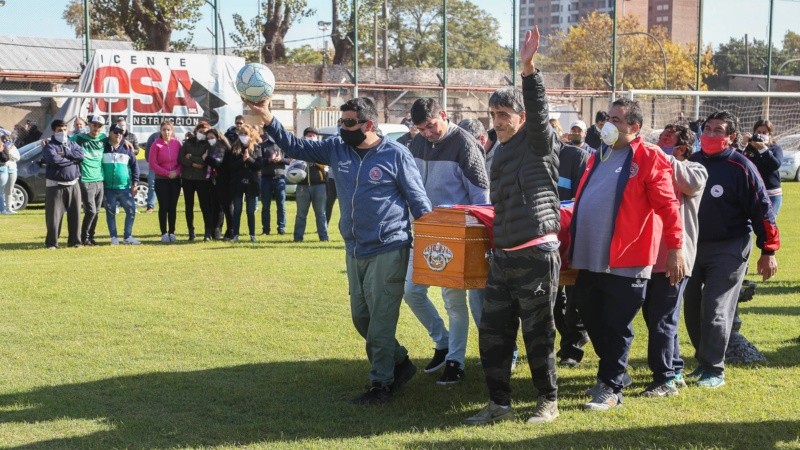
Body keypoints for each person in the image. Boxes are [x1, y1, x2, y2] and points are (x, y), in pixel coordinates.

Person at [248, 95, 431, 405]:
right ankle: (399, 362)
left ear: (369, 125)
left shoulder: (396, 155)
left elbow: (420, 203)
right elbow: (295, 147)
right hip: (355, 249)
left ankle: (381, 386)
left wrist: (429, 246)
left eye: (349, 123)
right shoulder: (337, 149)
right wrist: (268, 118)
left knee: (381, 323)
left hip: (390, 247)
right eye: (340, 122)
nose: (342, 128)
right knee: (362, 319)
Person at [464, 27, 562, 426]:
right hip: (503, 257)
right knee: (493, 334)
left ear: (521, 118)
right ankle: (498, 405)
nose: (498, 121)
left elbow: (538, 109)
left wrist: (528, 68)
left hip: (536, 252)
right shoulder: (498, 152)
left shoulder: (538, 141)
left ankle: (548, 401)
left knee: (539, 334)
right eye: (493, 115)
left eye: (505, 115)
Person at [570, 97, 684, 412]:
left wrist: (675, 247)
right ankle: (616, 372)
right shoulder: (598, 155)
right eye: (608, 117)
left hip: (628, 258)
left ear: (634, 127)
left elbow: (668, 206)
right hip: (589, 256)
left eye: (617, 119)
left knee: (616, 323)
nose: (609, 123)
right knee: (590, 315)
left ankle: (610, 388)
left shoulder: (650, 157)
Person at [684, 111, 779, 388]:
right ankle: (704, 361)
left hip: (730, 246)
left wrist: (768, 250)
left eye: (718, 131)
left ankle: (714, 369)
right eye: (708, 129)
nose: (711, 135)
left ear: (731, 137)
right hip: (694, 245)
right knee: (691, 306)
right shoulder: (693, 162)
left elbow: (762, 209)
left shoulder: (742, 167)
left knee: (715, 306)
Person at [404, 99, 489, 386]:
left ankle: (456, 360)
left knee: (454, 300)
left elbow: (481, 197)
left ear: (443, 114)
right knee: (412, 291)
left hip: (457, 235)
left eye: (430, 125)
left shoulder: (465, 144)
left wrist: (479, 239)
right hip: (424, 232)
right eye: (420, 128)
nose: (427, 133)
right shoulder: (416, 144)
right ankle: (442, 343)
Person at [640, 124, 707, 397]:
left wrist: (660, 155)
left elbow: (689, 184)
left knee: (662, 318)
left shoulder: (695, 169)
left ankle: (665, 379)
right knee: (655, 316)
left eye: (669, 138)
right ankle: (675, 369)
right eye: (661, 136)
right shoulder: (652, 165)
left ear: (682, 148)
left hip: (675, 257)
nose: (661, 139)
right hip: (648, 256)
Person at [552, 133, 590, 369]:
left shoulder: (576, 157)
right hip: (544, 238)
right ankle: (569, 338)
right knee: (552, 297)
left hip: (573, 236)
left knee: (575, 295)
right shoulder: (530, 158)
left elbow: (584, 198)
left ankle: (572, 348)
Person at [42, 119, 84, 249]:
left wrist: (66, 154)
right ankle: (52, 243)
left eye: (65, 129)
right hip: (55, 186)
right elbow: (54, 160)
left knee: (75, 215)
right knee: (54, 217)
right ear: (54, 131)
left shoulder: (73, 144)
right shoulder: (49, 146)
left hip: (73, 184)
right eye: (60, 130)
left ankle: (75, 242)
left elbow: (81, 156)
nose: (63, 132)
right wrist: (72, 160)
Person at [71, 115, 108, 246]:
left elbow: (118, 140)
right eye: (94, 125)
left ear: (102, 127)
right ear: (89, 125)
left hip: (100, 180)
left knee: (96, 211)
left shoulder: (104, 139)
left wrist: (126, 141)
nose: (96, 128)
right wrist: (48, 140)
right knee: (90, 210)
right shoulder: (79, 138)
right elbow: (64, 140)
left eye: (99, 126)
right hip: (86, 180)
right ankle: (83, 236)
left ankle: (90, 237)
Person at [101, 123, 141, 245]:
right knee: (110, 212)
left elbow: (135, 167)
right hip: (108, 188)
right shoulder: (103, 146)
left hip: (125, 188)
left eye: (121, 132)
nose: (118, 134)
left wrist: (135, 184)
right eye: (115, 132)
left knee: (131, 211)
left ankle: (127, 236)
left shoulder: (127, 148)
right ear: (110, 133)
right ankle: (114, 237)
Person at [225, 123, 262, 242]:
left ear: (250, 135)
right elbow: (231, 166)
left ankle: (252, 235)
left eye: (245, 134)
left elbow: (259, 165)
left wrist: (249, 159)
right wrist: (242, 160)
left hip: (252, 182)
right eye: (241, 134)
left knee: (250, 211)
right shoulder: (234, 148)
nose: (243, 136)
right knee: (237, 210)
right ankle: (235, 235)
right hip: (237, 183)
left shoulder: (256, 147)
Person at [292, 127, 328, 243]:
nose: (311, 137)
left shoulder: (322, 149)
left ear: (317, 137)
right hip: (302, 186)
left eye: (313, 135)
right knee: (301, 214)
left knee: (321, 214)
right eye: (309, 135)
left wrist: (314, 158)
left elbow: (326, 164)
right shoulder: (299, 148)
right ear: (304, 136)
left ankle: (324, 238)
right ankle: (298, 238)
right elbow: (292, 161)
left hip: (320, 186)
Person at [149, 120, 182, 243]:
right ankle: (164, 233)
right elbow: (153, 163)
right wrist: (167, 173)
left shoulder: (177, 143)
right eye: (164, 130)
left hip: (175, 180)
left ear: (172, 131)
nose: (166, 132)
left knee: (172, 207)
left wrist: (176, 172)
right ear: (160, 131)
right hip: (161, 180)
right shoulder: (156, 144)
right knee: (163, 207)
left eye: (168, 129)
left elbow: (181, 162)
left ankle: (172, 232)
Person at [743, 119, 783, 216]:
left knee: (768, 224)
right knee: (751, 224)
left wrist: (763, 149)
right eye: (758, 132)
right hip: (753, 192)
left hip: (771, 193)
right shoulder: (749, 149)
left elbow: (776, 165)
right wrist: (743, 144)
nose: (761, 134)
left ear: (770, 134)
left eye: (764, 132)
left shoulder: (775, 148)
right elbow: (738, 163)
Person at [180, 121, 212, 241]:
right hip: (188, 178)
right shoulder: (188, 142)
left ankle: (207, 233)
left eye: (204, 132)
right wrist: (194, 162)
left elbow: (205, 161)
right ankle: (191, 232)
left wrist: (192, 157)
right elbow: (181, 158)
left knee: (205, 206)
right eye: (200, 131)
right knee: (189, 206)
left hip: (202, 179)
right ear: (196, 131)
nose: (202, 134)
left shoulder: (208, 144)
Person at [259, 132, 289, 235]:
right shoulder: (262, 145)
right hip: (266, 178)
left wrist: (281, 159)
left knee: (281, 205)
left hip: (279, 178)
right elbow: (258, 161)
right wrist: (269, 160)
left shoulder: (283, 145)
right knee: (265, 206)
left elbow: (290, 160)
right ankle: (266, 229)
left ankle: (281, 228)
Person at [204, 128, 231, 240]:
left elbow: (217, 163)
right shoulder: (211, 148)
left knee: (227, 208)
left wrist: (206, 158)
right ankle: (216, 232)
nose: (210, 140)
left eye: (212, 137)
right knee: (216, 207)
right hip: (214, 181)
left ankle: (231, 231)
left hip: (224, 181)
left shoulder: (221, 147)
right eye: (208, 138)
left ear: (218, 137)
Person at [1, 135, 19, 214]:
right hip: (3, 170)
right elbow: (3, 158)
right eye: (4, 140)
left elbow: (17, 157)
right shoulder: (2, 147)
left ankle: (9, 208)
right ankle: (3, 208)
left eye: (7, 139)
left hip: (12, 170)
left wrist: (9, 153)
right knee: (1, 190)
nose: (6, 141)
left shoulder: (13, 147)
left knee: (9, 190)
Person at [144, 131, 159, 213]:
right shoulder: (153, 136)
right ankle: (150, 206)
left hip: (166, 166)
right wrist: (151, 161)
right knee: (152, 186)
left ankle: (167, 206)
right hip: (154, 166)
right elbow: (147, 151)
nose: (166, 131)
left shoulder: (173, 137)